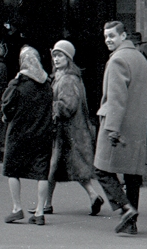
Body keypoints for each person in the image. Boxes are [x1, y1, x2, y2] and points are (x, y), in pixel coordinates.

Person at [93, 20, 147, 235]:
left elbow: (116, 99)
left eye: (112, 36)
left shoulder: (118, 60)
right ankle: (131, 223)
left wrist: (112, 128)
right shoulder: (139, 58)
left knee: (101, 169)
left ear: (123, 36)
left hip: (117, 125)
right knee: (132, 175)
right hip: (137, 125)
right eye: (106, 35)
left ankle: (125, 209)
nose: (108, 39)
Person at [42, 39, 105, 216]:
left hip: (65, 132)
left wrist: (49, 106)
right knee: (69, 168)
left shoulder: (68, 79)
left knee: (52, 167)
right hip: (69, 132)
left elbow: (67, 106)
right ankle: (92, 196)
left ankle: (45, 204)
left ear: (68, 58)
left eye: (60, 55)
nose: (56, 59)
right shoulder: (63, 77)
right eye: (54, 55)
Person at [1, 45, 54, 226]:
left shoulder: (17, 85)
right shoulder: (48, 85)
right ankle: (39, 212)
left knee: (12, 170)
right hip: (42, 133)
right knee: (42, 174)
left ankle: (17, 208)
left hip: (19, 133)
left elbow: (7, 108)